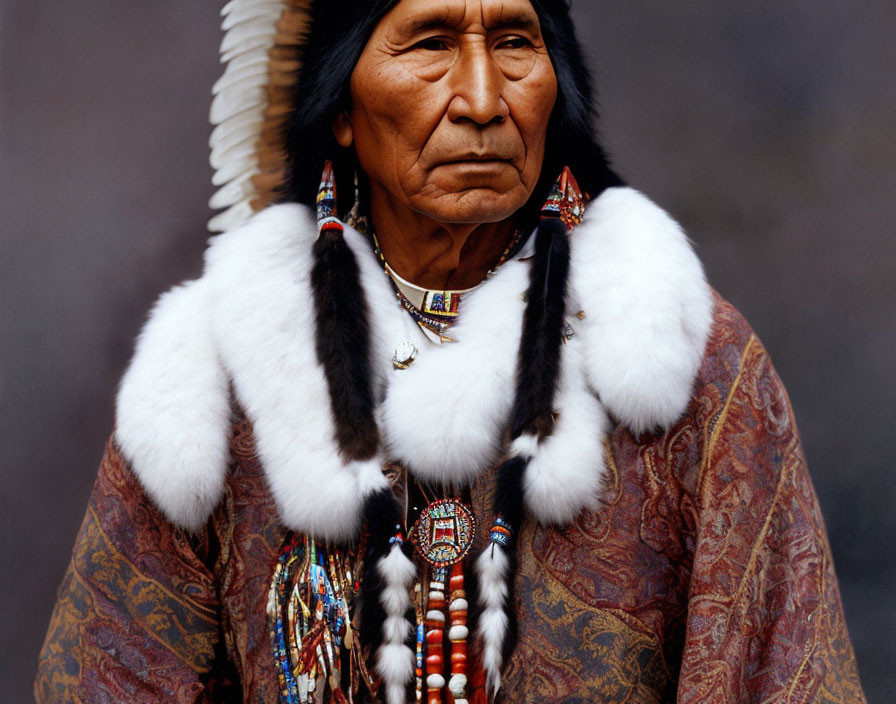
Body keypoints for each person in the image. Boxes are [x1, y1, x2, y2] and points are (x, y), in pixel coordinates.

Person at [36, 0, 866, 702]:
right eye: (430, 44)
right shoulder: (219, 377)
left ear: (557, 92)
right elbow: (112, 674)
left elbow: (779, 675)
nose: (481, 99)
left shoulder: (686, 361)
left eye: (514, 43)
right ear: (341, 110)